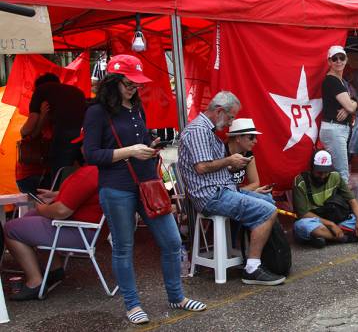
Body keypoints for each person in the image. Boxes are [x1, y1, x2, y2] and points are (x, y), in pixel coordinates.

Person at [83, 54, 205, 324]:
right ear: (112, 82)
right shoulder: (96, 112)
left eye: (137, 85)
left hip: (148, 184)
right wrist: (129, 151)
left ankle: (177, 296)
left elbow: (138, 142)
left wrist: (149, 145)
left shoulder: (136, 107)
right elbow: (90, 155)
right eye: (129, 84)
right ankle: (132, 304)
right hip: (116, 187)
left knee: (172, 242)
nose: (134, 89)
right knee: (124, 247)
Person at [178, 91, 286, 287]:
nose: (230, 122)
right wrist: (229, 160)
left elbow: (211, 168)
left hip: (221, 190)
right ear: (219, 111)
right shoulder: (199, 131)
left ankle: (259, 256)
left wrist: (231, 168)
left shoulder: (207, 131)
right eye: (230, 117)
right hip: (211, 196)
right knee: (267, 210)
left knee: (268, 200)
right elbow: (201, 167)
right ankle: (252, 268)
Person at [4, 164, 99, 301]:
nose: (82, 148)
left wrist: (42, 208)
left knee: (10, 228)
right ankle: (55, 270)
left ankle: (35, 282)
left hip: (80, 232)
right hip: (89, 229)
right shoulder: (103, 170)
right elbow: (85, 193)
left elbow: (61, 211)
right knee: (29, 217)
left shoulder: (89, 172)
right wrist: (57, 194)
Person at [293, 150, 358, 247]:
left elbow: (352, 200)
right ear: (312, 168)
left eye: (326, 172)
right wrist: (330, 225)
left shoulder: (335, 176)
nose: (323, 176)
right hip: (316, 222)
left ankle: (324, 237)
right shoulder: (300, 181)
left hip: (335, 221)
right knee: (302, 225)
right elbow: (303, 214)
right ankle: (344, 237)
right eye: (319, 172)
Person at [22, 72, 86, 177]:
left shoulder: (41, 90)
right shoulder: (76, 92)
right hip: (85, 134)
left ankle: (58, 191)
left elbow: (28, 129)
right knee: (83, 168)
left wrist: (24, 131)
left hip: (64, 135)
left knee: (59, 171)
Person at [320, 46, 358, 183]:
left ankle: (338, 202)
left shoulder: (341, 81)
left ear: (346, 60)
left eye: (341, 58)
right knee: (342, 173)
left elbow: (354, 102)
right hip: (335, 129)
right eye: (334, 58)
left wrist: (351, 105)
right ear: (329, 62)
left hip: (338, 129)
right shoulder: (332, 81)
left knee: (340, 171)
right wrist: (350, 106)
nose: (338, 61)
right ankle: (344, 204)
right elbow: (351, 105)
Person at [224, 118, 273, 195]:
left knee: (268, 196)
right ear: (238, 138)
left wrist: (239, 192)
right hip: (222, 198)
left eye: (255, 137)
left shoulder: (248, 154)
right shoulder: (221, 152)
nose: (255, 141)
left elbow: (255, 183)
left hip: (235, 194)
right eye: (251, 137)